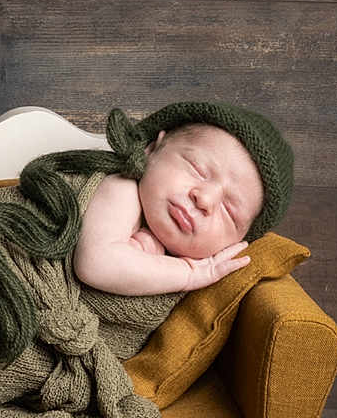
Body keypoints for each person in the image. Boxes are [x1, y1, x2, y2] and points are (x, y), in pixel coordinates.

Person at [72, 120, 267, 295]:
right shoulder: (122, 188)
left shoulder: (206, 276)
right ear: (152, 149)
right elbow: (95, 264)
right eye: (198, 169)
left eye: (229, 211)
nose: (205, 200)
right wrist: (188, 274)